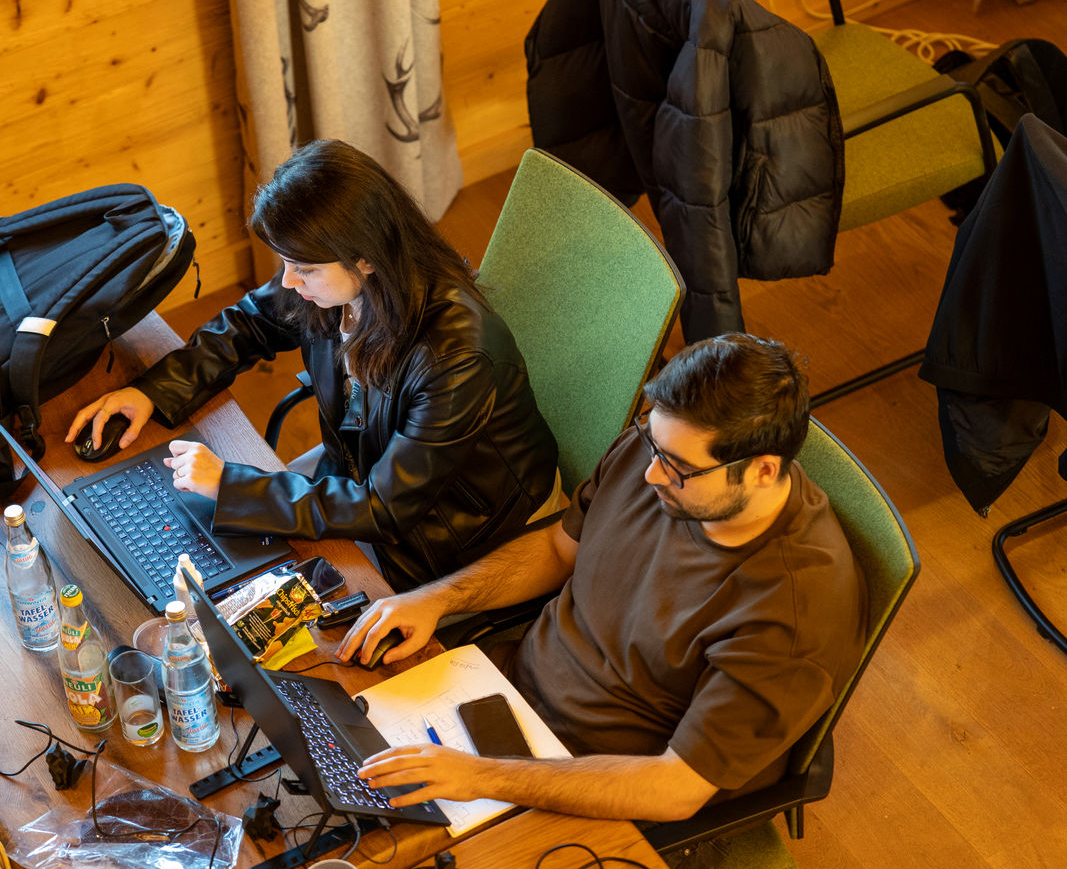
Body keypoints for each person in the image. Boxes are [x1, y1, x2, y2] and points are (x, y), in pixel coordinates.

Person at [340, 333, 868, 824]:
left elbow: (677, 787)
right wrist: (436, 599)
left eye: (677, 467)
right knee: (333, 747)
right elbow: (558, 549)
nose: (651, 474)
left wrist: (480, 777)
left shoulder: (794, 611)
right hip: (500, 696)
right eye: (653, 442)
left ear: (763, 471)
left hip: (601, 787)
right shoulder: (657, 453)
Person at [66, 141, 559, 591]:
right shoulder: (337, 284)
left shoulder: (456, 357)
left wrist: (230, 486)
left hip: (451, 528)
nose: (289, 281)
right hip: (364, 469)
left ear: (366, 258)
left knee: (260, 586)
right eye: (287, 263)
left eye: (304, 268)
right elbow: (252, 321)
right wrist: (153, 391)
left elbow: (385, 509)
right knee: (207, 535)